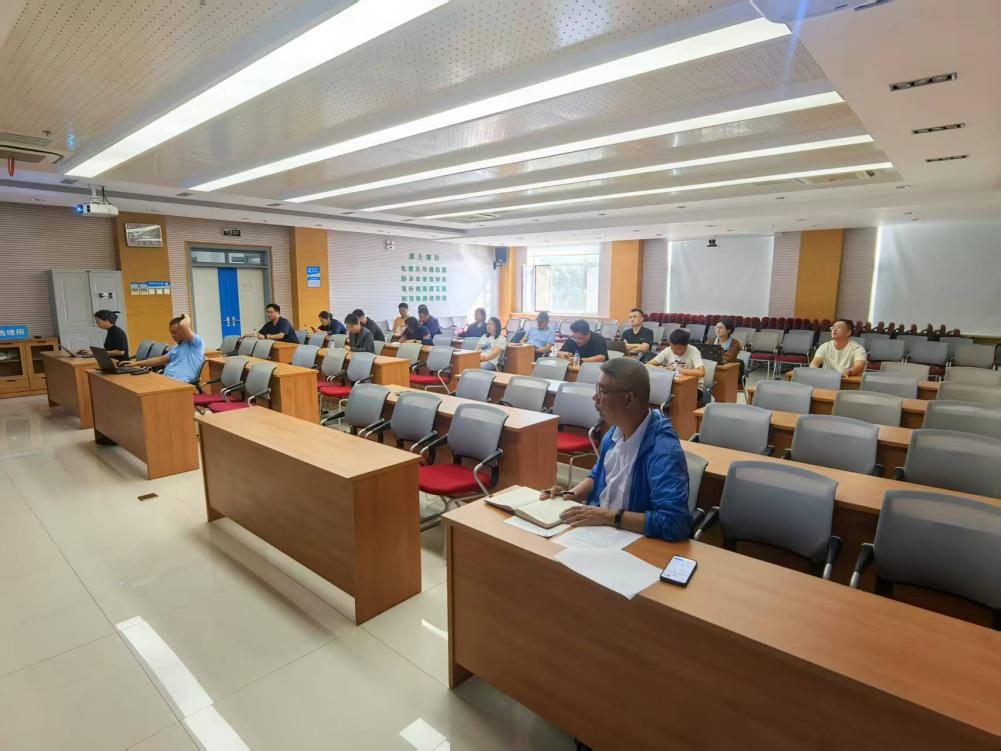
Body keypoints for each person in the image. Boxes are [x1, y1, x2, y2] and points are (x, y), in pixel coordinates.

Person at [539, 358, 690, 541]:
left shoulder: (663, 451)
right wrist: (570, 495)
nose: (595, 398)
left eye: (602, 391)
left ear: (628, 399)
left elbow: (674, 522)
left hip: (634, 541)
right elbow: (598, 474)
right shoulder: (613, 432)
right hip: (601, 532)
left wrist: (608, 516)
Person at [120, 314, 205, 383]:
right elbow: (160, 360)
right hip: (166, 379)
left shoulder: (196, 343)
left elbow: (183, 325)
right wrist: (135, 363)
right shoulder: (176, 348)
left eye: (175, 332)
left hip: (180, 383)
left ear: (183, 331)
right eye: (171, 332)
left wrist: (186, 316)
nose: (172, 335)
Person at [714, 317, 743, 383]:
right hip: (713, 369)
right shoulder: (710, 341)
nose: (717, 330)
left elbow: (728, 359)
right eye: (716, 327)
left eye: (721, 328)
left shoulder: (735, 343)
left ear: (729, 330)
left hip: (728, 372)